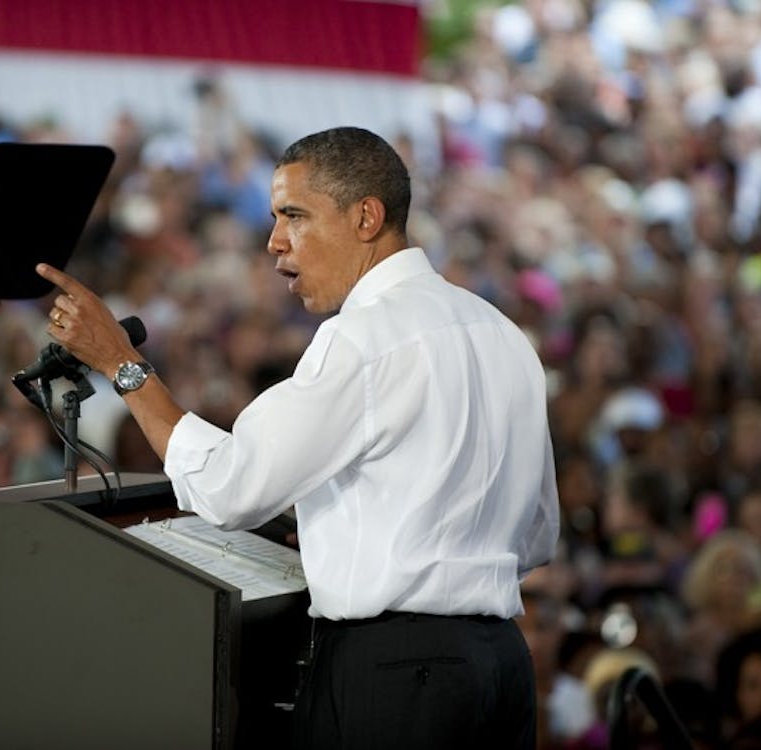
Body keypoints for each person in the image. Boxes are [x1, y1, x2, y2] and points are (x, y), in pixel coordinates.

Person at [35, 126, 560, 749]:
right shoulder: (500, 333)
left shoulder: (364, 338)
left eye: (294, 216)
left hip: (398, 676)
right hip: (501, 667)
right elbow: (536, 533)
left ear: (366, 217)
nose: (274, 241)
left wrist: (120, 362)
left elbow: (229, 488)